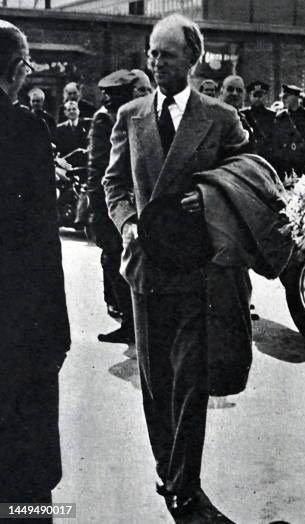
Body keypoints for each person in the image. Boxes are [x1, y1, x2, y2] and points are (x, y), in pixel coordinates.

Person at [102, 14, 250, 520]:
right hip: (146, 269)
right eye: (151, 52)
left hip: (198, 271)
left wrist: (206, 198)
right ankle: (168, 470)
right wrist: (126, 226)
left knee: (190, 382)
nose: (155, 61)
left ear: (192, 58)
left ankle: (185, 479)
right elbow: (114, 183)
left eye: (165, 54)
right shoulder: (131, 115)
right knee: (154, 382)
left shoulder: (221, 117)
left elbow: (245, 180)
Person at [0, 20, 70, 516]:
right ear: (13, 68)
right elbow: (44, 242)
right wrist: (57, 327)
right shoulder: (25, 129)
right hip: (18, 320)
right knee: (24, 463)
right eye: (24, 65)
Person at [86, 69, 137, 344]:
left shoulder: (112, 118)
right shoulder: (115, 118)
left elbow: (100, 168)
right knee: (119, 261)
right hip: (120, 202)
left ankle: (130, 324)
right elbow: (99, 168)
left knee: (116, 261)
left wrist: (96, 208)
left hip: (116, 202)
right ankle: (131, 323)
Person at [271, 83, 305, 180]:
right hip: (288, 163)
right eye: (282, 97)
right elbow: (276, 142)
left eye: (286, 97)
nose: (283, 99)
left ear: (296, 97)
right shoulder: (280, 117)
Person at [241, 80, 276, 162]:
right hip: (249, 155)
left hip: (268, 157)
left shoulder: (273, 115)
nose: (258, 98)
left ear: (265, 97)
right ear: (250, 96)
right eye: (255, 95)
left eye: (260, 95)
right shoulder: (243, 115)